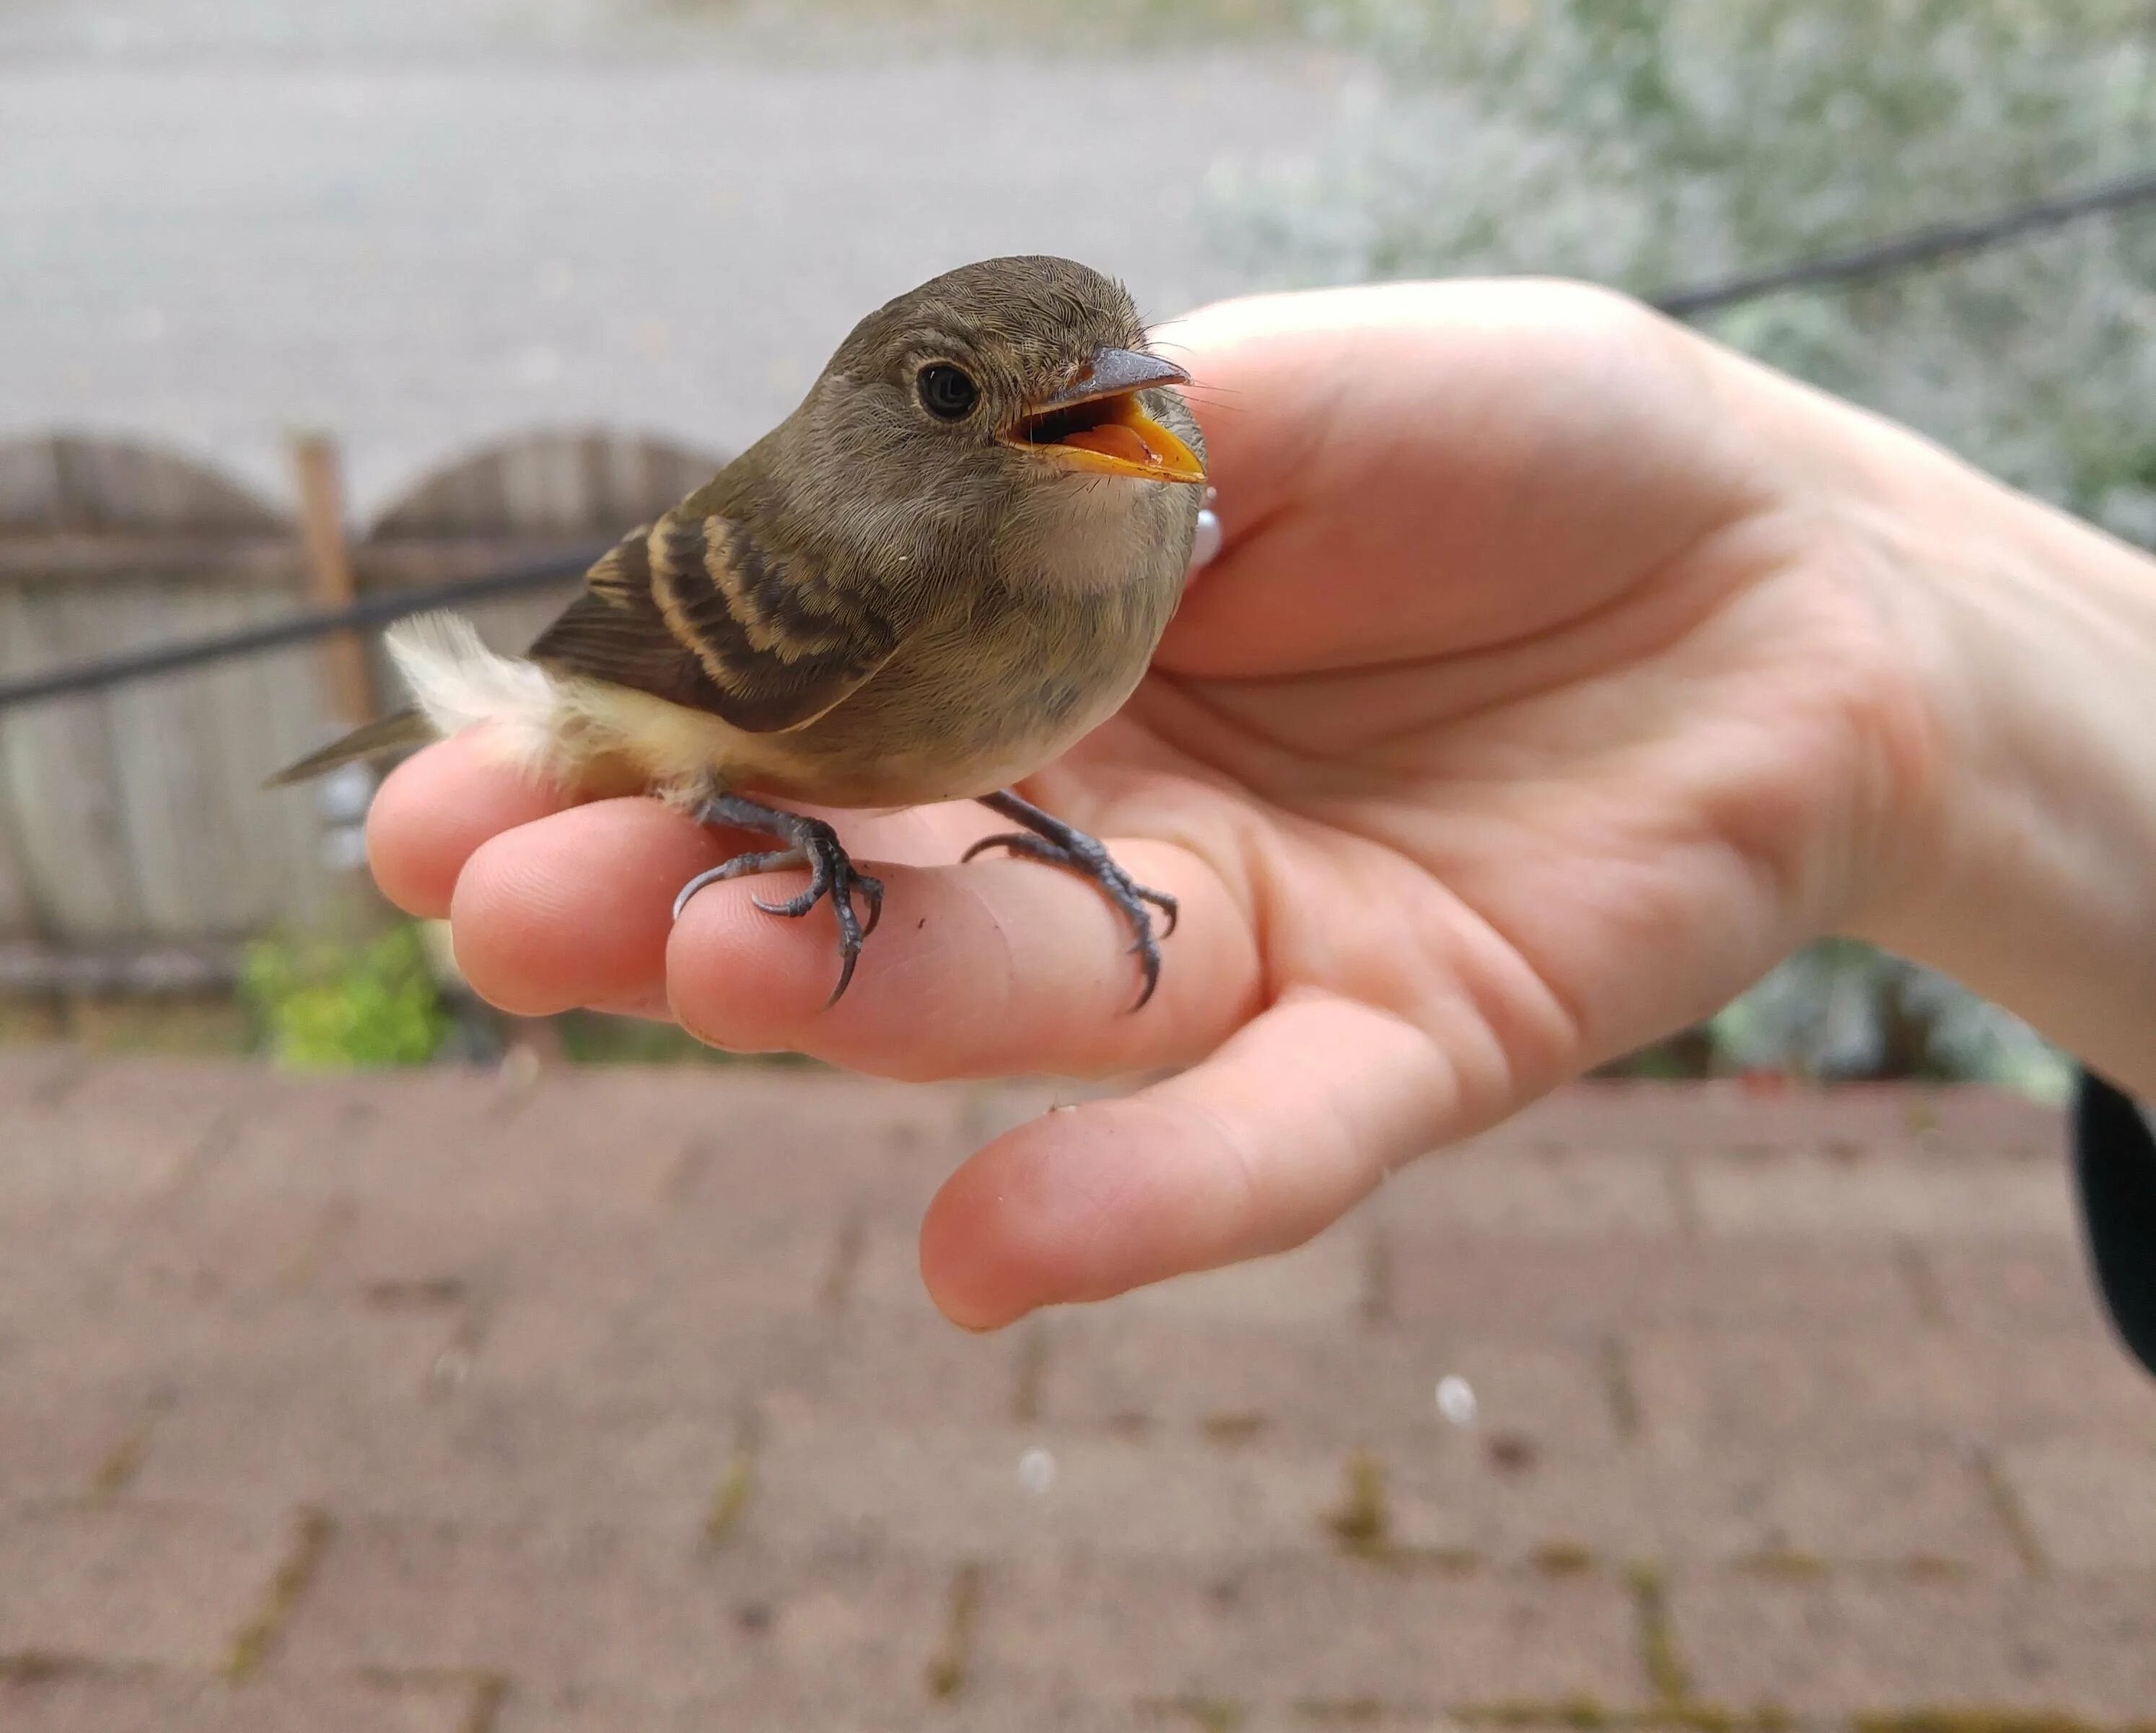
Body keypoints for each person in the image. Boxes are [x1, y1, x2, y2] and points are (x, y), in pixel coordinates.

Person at [365, 280, 2156, 1345]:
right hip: (690, 710)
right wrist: (766, 815)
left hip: (968, 731)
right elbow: (628, 663)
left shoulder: (1146, 504)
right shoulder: (846, 568)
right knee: (700, 834)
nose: (1138, 413)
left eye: (1120, 371)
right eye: (955, 397)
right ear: (887, 421)